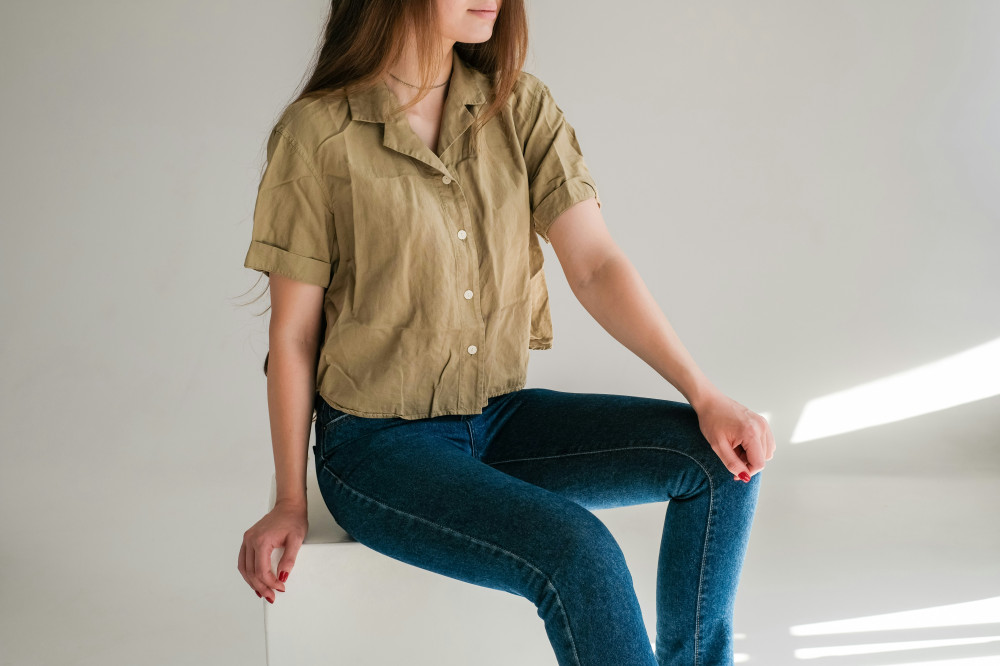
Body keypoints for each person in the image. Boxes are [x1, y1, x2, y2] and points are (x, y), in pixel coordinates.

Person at [237, 1, 774, 664]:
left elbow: (596, 266)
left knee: (721, 463)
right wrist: (291, 499)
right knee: (578, 549)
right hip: (377, 448)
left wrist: (703, 394)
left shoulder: (518, 107)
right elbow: (294, 336)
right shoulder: (318, 133)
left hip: (495, 419)